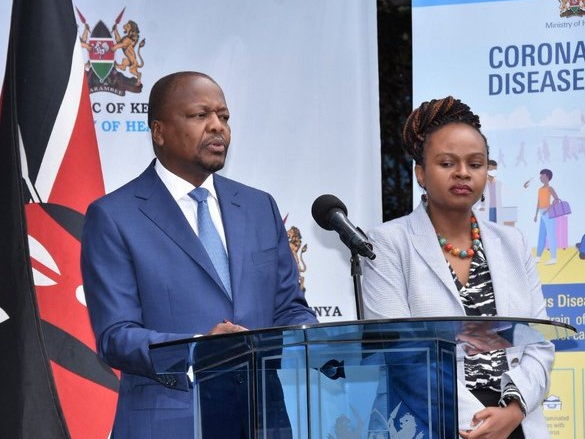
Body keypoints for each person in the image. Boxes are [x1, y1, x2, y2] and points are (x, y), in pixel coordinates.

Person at [81, 71, 317, 438]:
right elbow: (116, 335)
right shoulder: (115, 216)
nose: (217, 127)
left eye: (223, 117)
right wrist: (199, 350)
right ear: (158, 131)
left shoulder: (258, 206)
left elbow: (289, 307)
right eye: (200, 115)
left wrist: (317, 340)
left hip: (262, 421)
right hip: (171, 423)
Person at [362, 96, 553, 439]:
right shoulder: (387, 244)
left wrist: (512, 411)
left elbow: (538, 343)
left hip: (514, 421)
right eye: (447, 163)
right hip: (429, 422)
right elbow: (402, 354)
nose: (463, 172)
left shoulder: (514, 243)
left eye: (475, 164)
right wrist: (477, 423)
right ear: (421, 173)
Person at [533, 168, 560, 265]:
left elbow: (557, 200)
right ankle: (538, 256)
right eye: (540, 176)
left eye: (542, 175)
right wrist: (536, 215)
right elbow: (538, 202)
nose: (540, 177)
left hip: (548, 214)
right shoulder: (540, 189)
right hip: (541, 213)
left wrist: (548, 209)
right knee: (541, 235)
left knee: (551, 235)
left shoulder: (550, 188)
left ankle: (553, 258)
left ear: (547, 177)